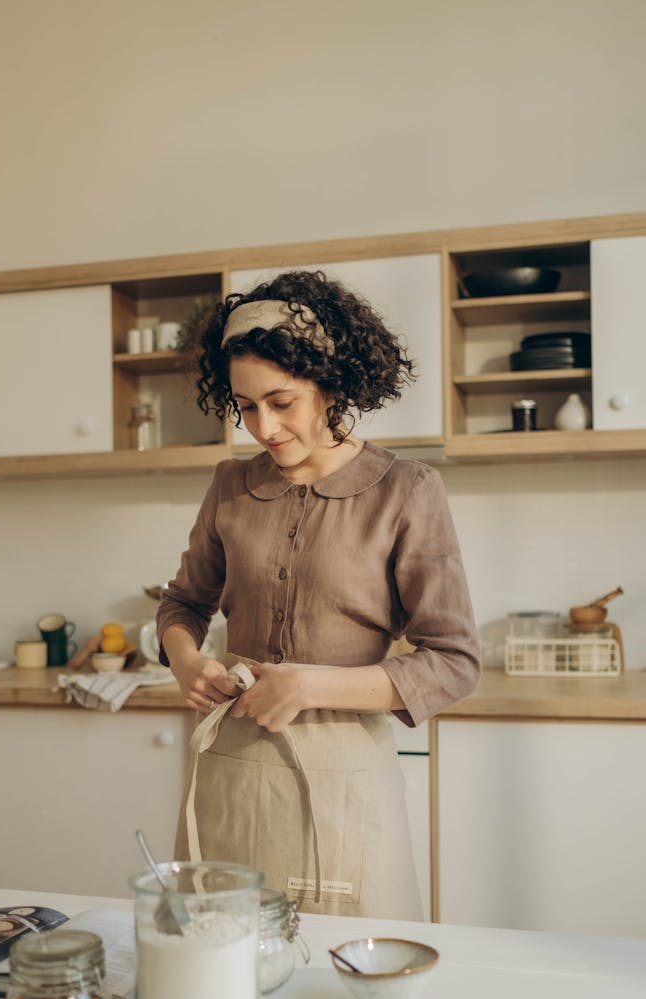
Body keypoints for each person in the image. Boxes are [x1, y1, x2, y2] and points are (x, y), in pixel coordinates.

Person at [156, 269, 480, 919]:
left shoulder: (406, 490)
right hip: (230, 770)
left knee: (343, 983)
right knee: (222, 972)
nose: (263, 427)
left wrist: (310, 685)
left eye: (282, 402)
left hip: (347, 779)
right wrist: (187, 660)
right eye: (245, 406)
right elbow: (183, 603)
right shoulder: (229, 485)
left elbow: (454, 660)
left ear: (330, 386)